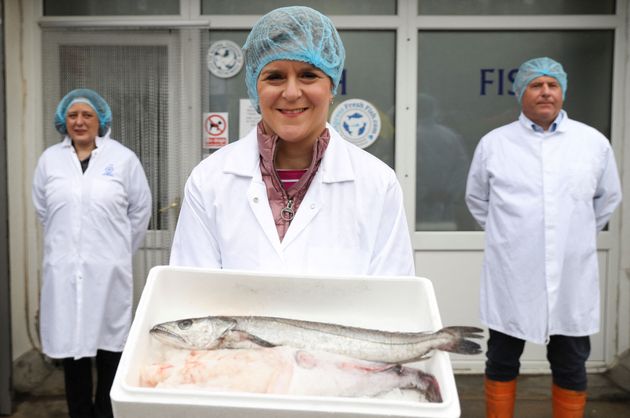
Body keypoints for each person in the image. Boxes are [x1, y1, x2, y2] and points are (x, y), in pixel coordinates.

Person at [170, 6, 414, 276]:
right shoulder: (209, 180)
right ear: (255, 86)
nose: (291, 92)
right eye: (274, 77)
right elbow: (191, 296)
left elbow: (393, 301)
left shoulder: (377, 183)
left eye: (309, 75)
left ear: (331, 85)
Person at [465, 57, 622, 418]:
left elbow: (608, 198)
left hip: (571, 275)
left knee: (570, 362)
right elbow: (477, 200)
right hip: (513, 273)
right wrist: (515, 235)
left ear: (563, 91)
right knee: (502, 358)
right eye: (536, 85)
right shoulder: (496, 144)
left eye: (553, 85)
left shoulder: (592, 143)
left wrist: (573, 235)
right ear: (521, 92)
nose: (546, 92)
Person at [32, 88, 152, 418]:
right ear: (63, 121)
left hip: (108, 272)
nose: (80, 121)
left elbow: (140, 210)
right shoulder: (50, 161)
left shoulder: (122, 159)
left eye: (87, 115)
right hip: (64, 273)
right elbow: (44, 210)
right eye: (73, 116)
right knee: (73, 357)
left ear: (100, 120)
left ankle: (106, 414)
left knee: (110, 352)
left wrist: (114, 251)